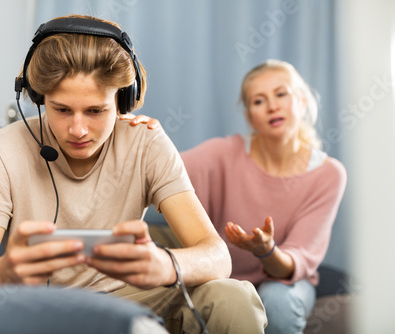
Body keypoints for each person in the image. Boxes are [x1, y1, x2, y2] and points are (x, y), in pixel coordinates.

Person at [0, 15, 267, 333]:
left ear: (123, 100)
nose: (78, 129)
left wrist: (165, 264)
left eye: (96, 111)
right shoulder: (7, 147)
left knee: (232, 297)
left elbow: (217, 256)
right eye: (62, 109)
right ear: (39, 99)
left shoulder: (146, 141)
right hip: (41, 308)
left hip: (131, 298)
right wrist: (4, 272)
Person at [125, 59, 347, 333]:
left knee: (277, 301)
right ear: (249, 116)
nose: (272, 106)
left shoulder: (329, 174)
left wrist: (265, 250)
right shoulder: (222, 153)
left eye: (281, 94)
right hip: (221, 274)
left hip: (284, 278)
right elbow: (158, 171)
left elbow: (293, 265)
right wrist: (138, 134)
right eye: (258, 101)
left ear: (301, 101)